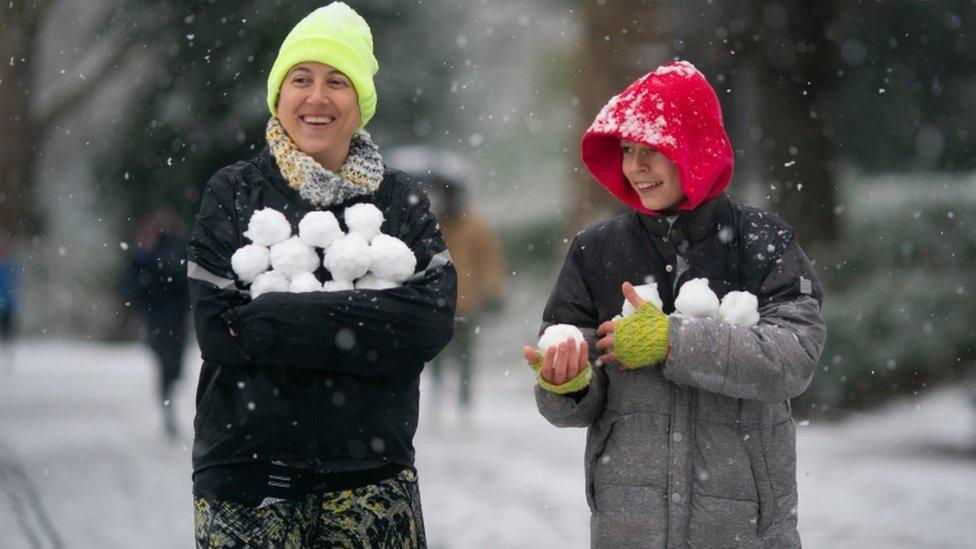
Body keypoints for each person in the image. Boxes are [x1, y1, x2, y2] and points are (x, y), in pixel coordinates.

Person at [521, 60, 826, 547]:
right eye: (626, 150)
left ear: (694, 150)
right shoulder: (595, 251)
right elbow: (575, 405)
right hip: (629, 528)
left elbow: (794, 358)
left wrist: (674, 341)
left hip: (746, 531)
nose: (634, 168)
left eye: (651, 151)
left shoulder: (762, 241)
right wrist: (566, 384)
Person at [186, 3, 456, 546]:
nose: (317, 97)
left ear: (361, 103)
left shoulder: (398, 200)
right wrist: (366, 324)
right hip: (246, 477)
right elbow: (220, 331)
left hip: (372, 478)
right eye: (300, 79)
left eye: (338, 81)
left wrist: (272, 313)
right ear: (278, 94)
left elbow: (430, 323)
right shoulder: (233, 191)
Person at [388, 147, 506, 411]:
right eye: (446, 192)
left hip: (467, 302)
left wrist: (494, 290)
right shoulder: (433, 223)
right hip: (438, 302)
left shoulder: (477, 227)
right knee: (438, 356)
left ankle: (463, 404)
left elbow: (489, 261)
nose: (449, 198)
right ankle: (437, 401)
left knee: (465, 358)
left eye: (452, 193)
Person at [121, 208, 190, 438]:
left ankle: (168, 394)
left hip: (174, 318)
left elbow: (185, 279)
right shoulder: (144, 253)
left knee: (174, 366)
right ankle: (167, 402)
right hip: (158, 318)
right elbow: (130, 284)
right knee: (165, 364)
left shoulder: (178, 248)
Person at [0, 240, 18, 374]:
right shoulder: (10, 268)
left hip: (8, 306)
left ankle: (7, 358)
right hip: (5, 304)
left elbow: (14, 287)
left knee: (7, 334)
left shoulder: (11, 267)